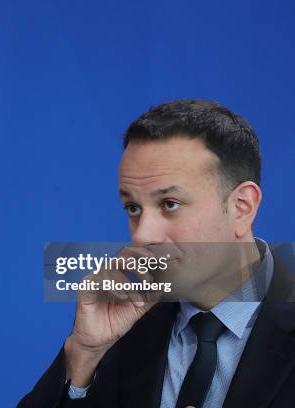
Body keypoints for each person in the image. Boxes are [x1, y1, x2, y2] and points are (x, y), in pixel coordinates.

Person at [18, 99, 295, 408]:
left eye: (169, 204)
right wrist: (84, 354)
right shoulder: (119, 328)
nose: (142, 235)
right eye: (133, 208)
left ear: (242, 207)